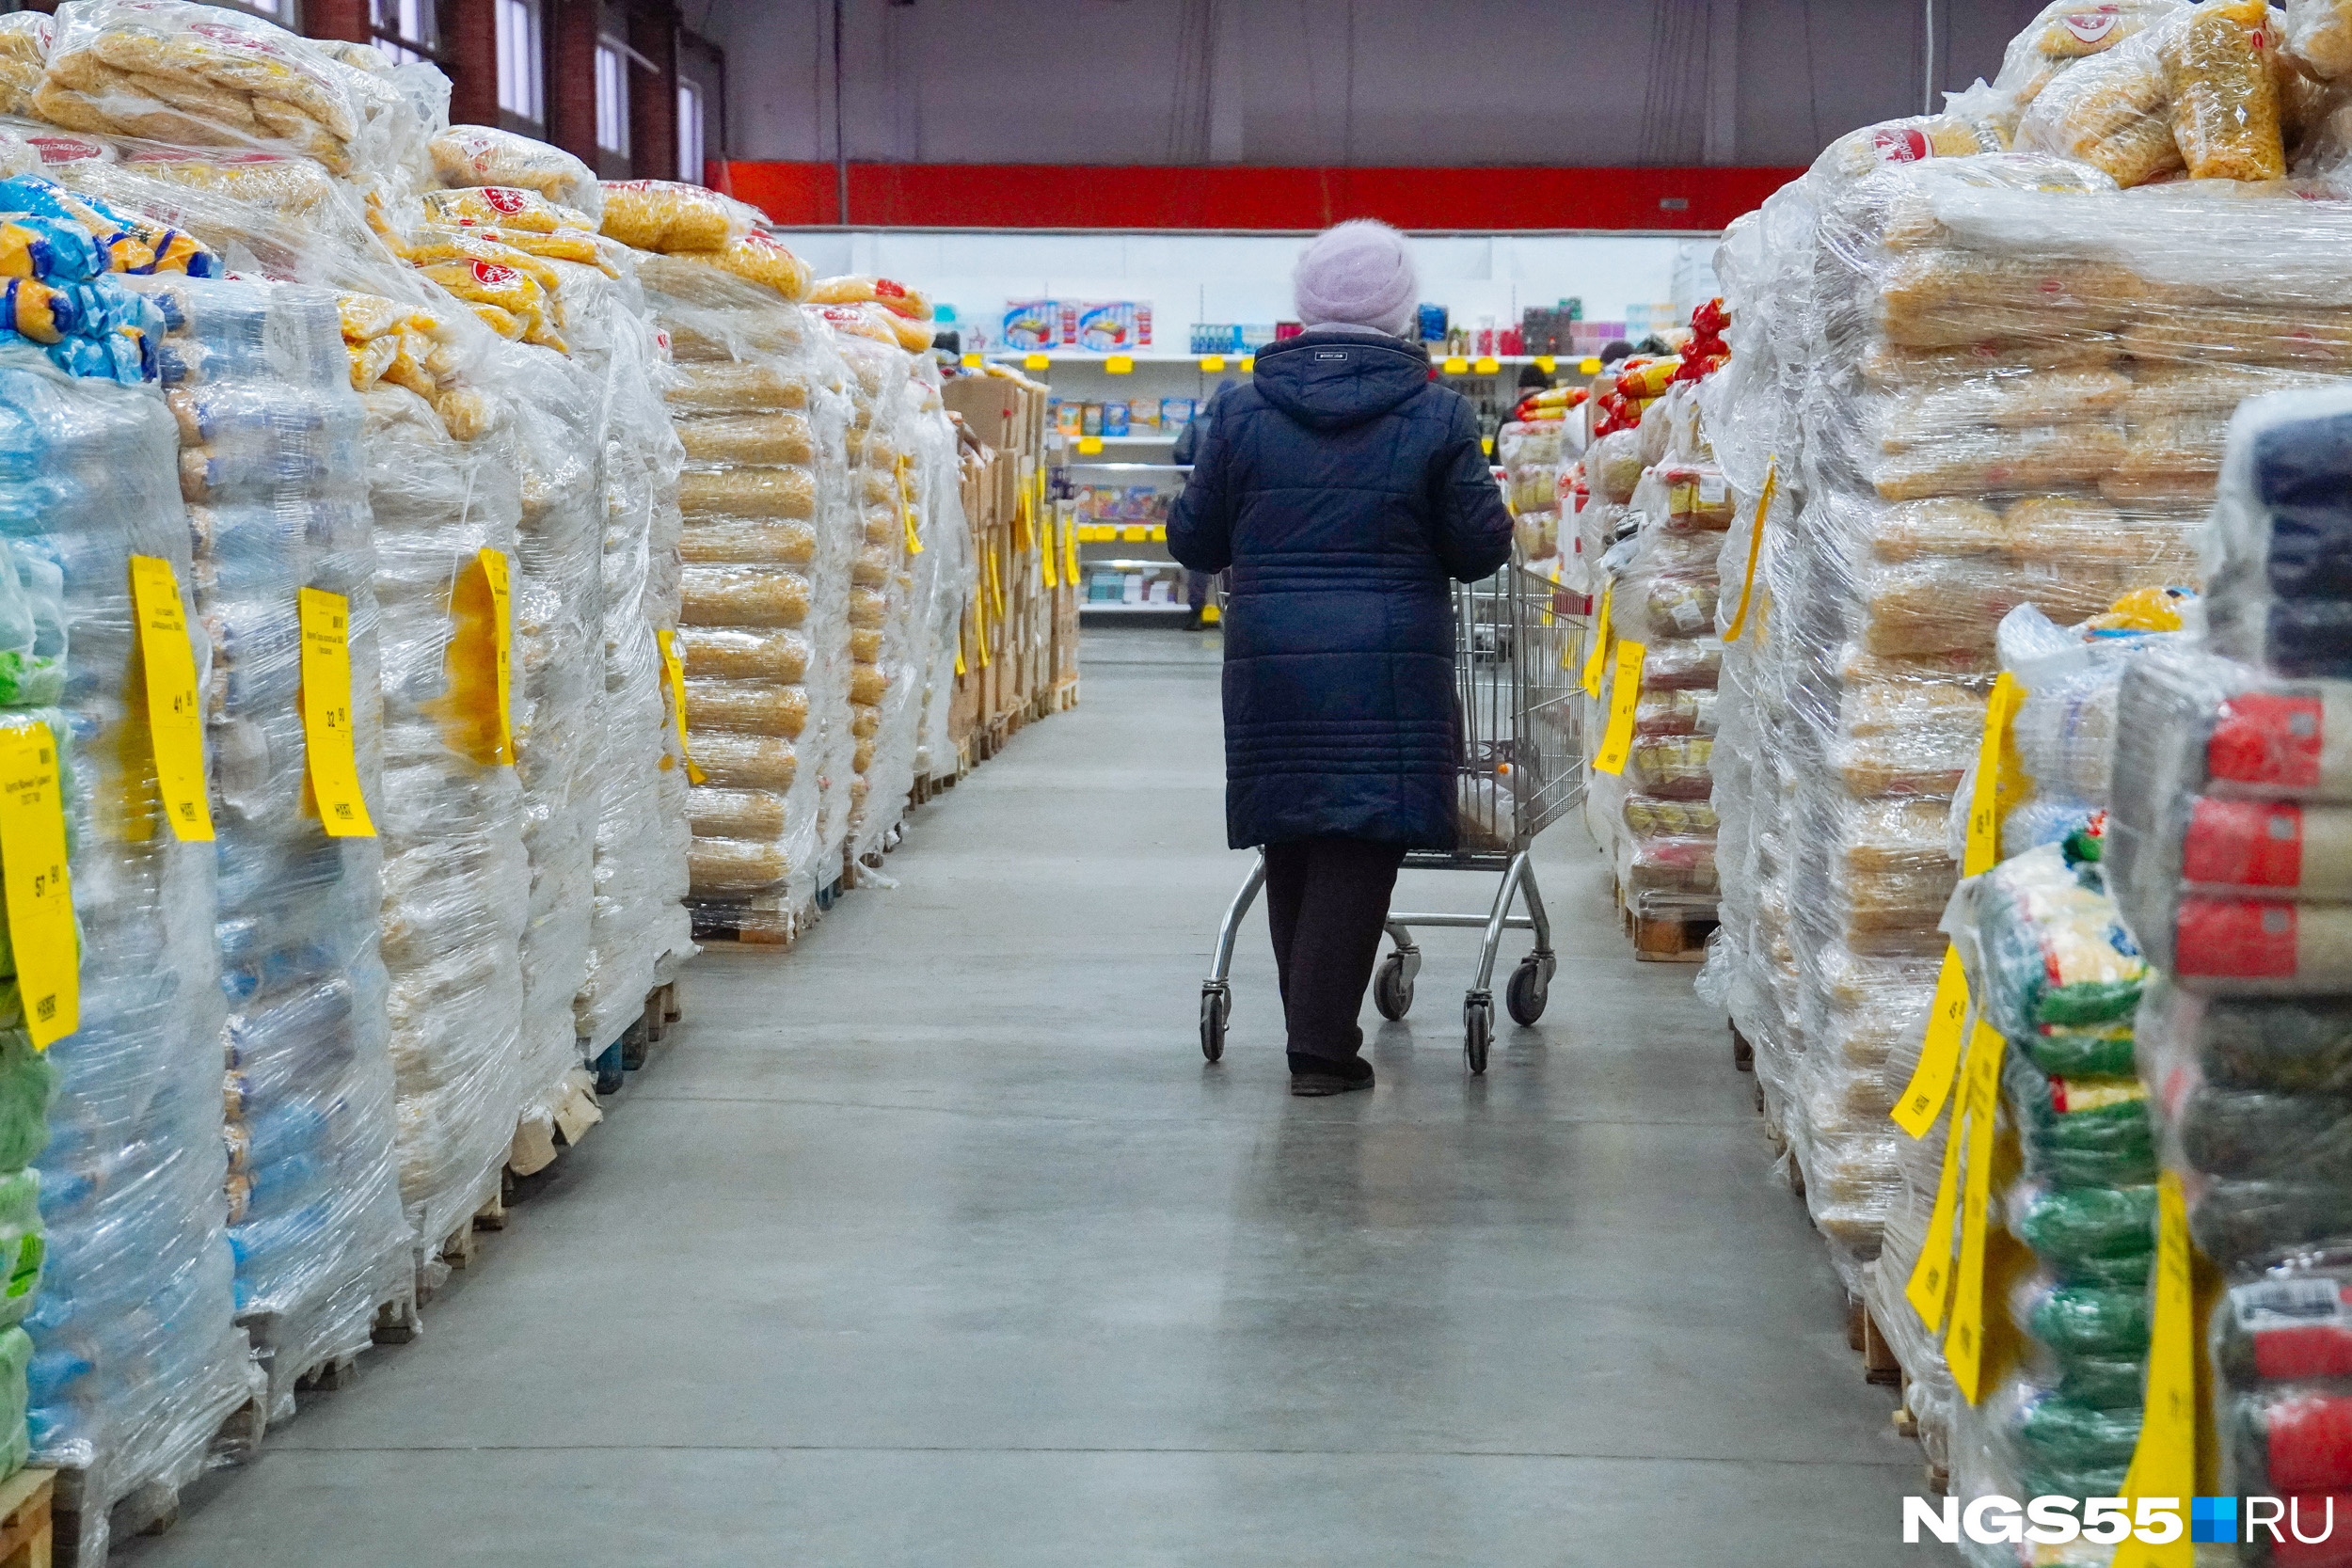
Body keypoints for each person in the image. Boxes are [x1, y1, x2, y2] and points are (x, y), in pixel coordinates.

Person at [1168, 219, 1514, 1097]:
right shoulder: (1436, 413)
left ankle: (1314, 1034)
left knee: (1292, 833)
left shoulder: (1241, 410)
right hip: (1387, 663)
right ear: (1402, 310)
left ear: (1304, 302)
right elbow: (1480, 548)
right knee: (1363, 834)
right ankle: (1320, 1049)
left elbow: (1194, 539)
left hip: (1272, 660)